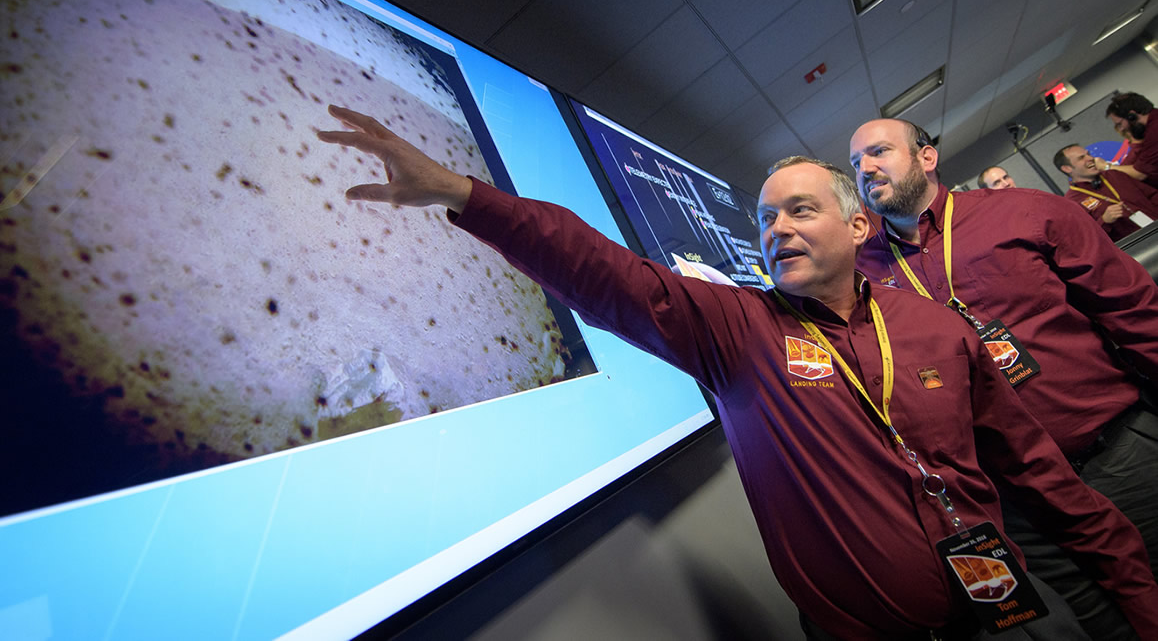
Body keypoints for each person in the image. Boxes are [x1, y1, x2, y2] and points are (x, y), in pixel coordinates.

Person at [317, 105, 1158, 640]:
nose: (777, 229)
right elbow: (604, 271)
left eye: (801, 209)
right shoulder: (741, 329)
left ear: (859, 226)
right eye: (765, 218)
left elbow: (1047, 482)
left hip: (1002, 616)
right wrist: (466, 194)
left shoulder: (934, 330)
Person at [851, 118, 1158, 640]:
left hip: (1117, 458)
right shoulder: (862, 278)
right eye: (855, 164)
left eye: (879, 151)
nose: (866, 169)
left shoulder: (1027, 211)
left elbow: (1135, 314)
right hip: (1019, 510)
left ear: (927, 157)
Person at [1055, 144, 1158, 241]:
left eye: (1088, 154)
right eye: (1081, 158)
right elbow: (1087, 240)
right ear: (1067, 168)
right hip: (1138, 246)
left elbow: (1152, 195)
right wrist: (1104, 221)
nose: (1090, 158)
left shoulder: (1115, 174)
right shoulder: (1072, 203)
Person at [1105, 92, 1158, 186]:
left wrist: (1106, 166)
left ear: (1132, 116)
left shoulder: (1154, 131)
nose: (1121, 129)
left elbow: (1140, 173)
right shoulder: (1152, 123)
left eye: (1119, 124)